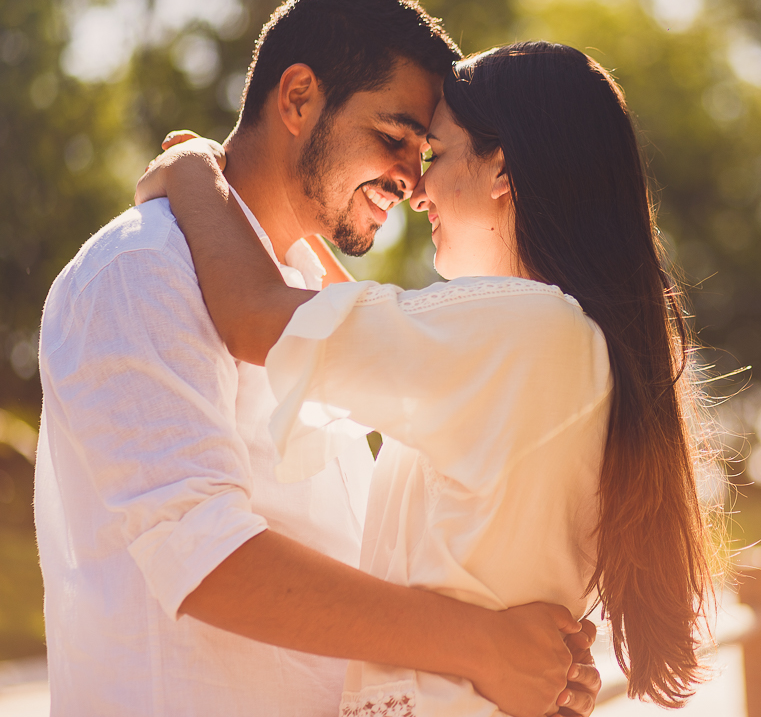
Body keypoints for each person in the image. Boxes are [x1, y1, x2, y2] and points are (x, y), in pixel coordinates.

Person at [35, 0, 599, 717]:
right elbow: (205, 561)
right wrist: (485, 645)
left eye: (424, 153)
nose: (409, 178)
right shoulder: (142, 267)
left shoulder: (311, 302)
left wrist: (537, 664)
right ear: (297, 99)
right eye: (394, 138)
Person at [136, 40, 718, 716]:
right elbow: (344, 321)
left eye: (436, 155)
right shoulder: (564, 342)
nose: (415, 189)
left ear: (501, 168)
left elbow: (258, 316)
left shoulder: (525, 332)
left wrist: (193, 171)